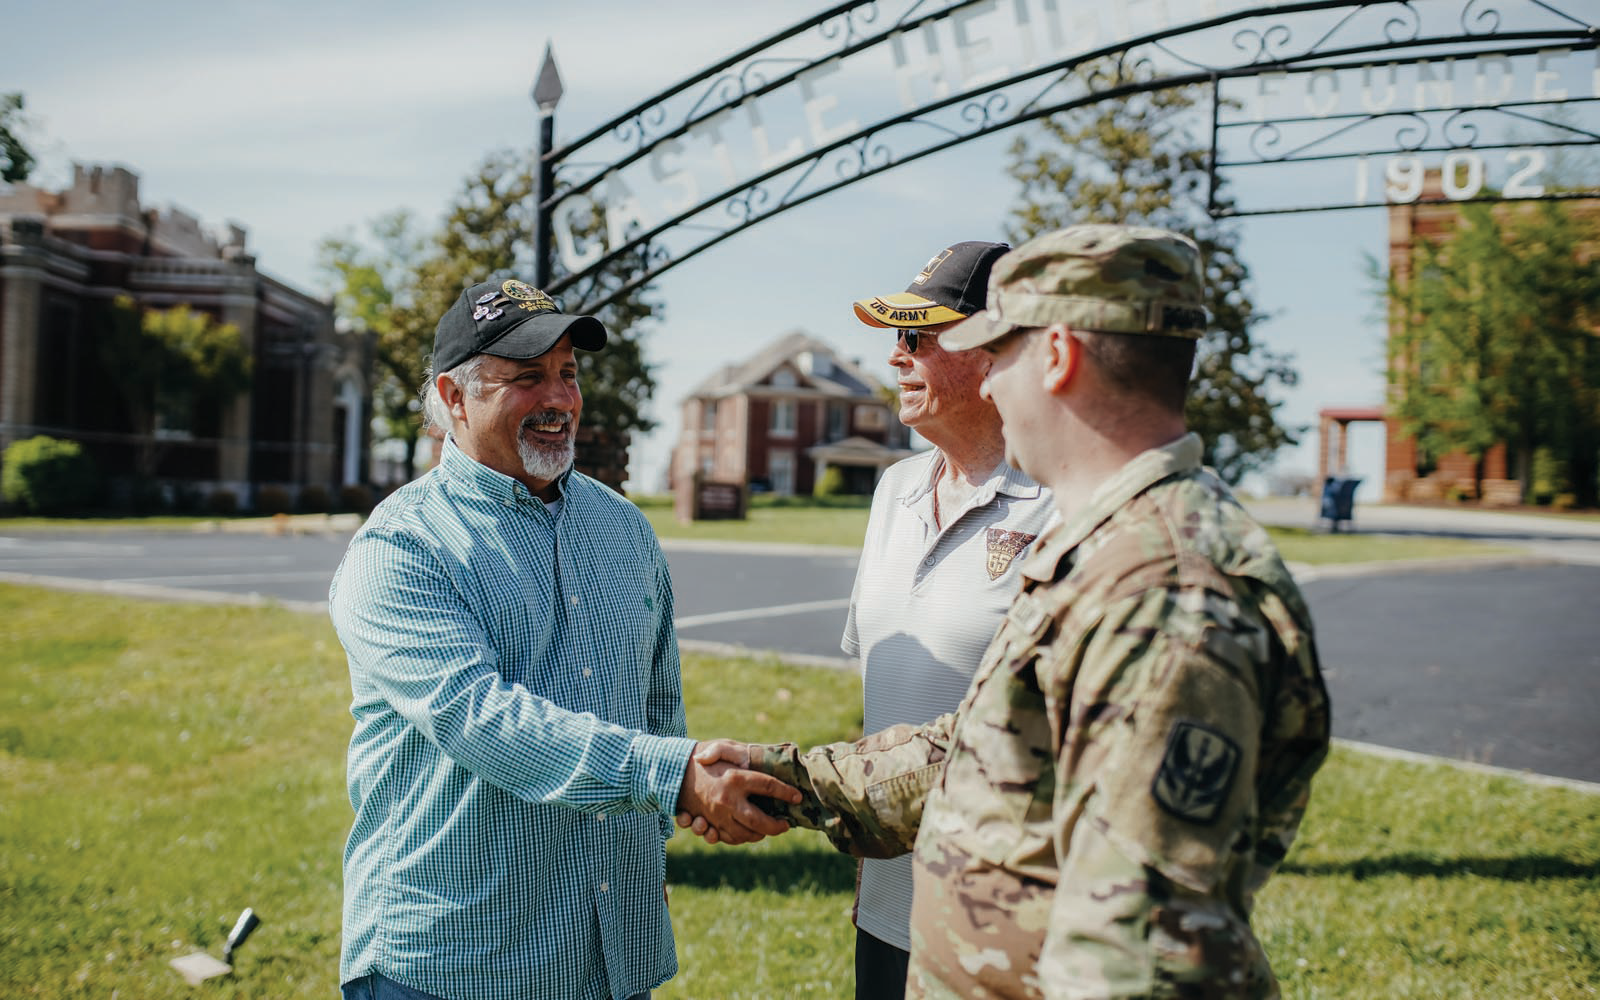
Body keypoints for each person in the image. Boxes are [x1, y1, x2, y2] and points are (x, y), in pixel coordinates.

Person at [693, 225, 1331, 998]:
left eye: (1002, 352)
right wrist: (780, 778)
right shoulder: (1110, 551)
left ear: (1056, 358)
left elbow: (1142, 954)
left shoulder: (1167, 589)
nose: (990, 382)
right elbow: (978, 751)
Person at [329, 276, 799, 1000]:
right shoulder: (400, 549)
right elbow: (481, 719)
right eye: (526, 378)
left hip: (610, 954)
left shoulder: (624, 528)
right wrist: (673, 776)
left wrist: (665, 834)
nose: (559, 399)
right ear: (453, 398)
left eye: (568, 374)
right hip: (454, 964)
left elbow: (656, 707)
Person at [843, 240, 1056, 998]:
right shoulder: (893, 490)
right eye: (894, 338)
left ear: (996, 354)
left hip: (1006, 928)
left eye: (917, 338)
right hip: (889, 910)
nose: (896, 358)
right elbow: (884, 695)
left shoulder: (1066, 501)